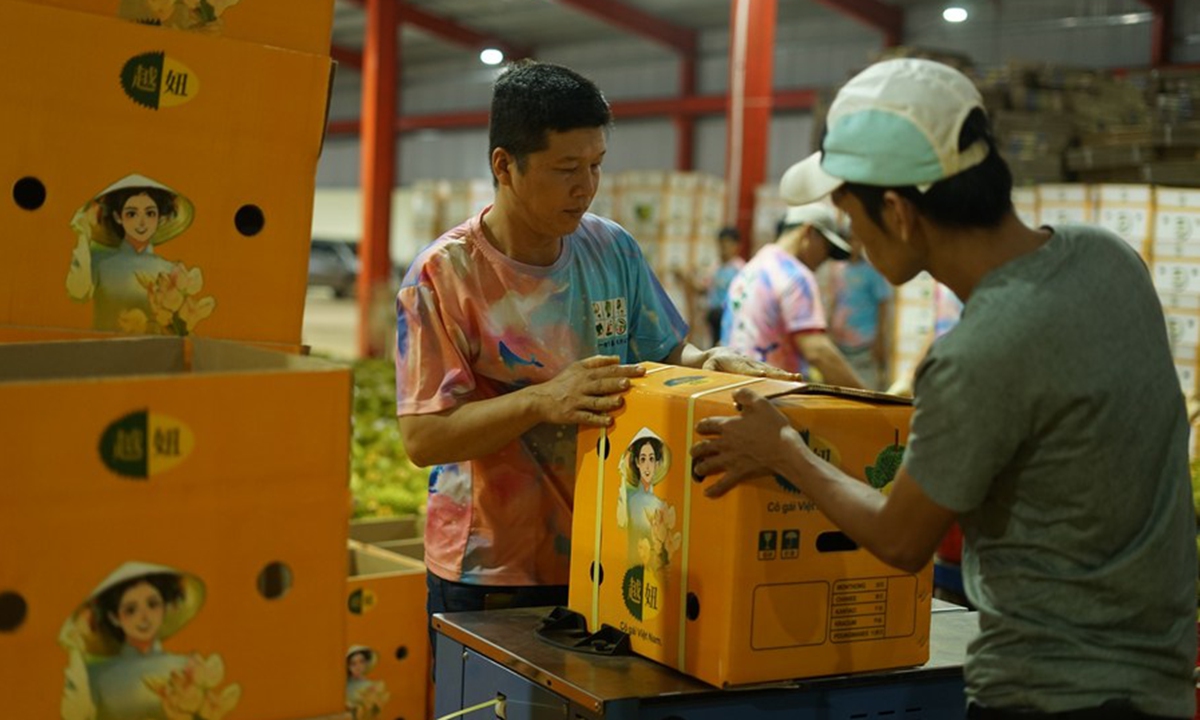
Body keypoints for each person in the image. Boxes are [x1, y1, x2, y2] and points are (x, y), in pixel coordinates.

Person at [691, 58, 1196, 719]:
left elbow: (901, 540)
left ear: (898, 212)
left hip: (1048, 693)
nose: (856, 242)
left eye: (850, 211)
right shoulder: (1109, 258)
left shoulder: (977, 354)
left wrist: (783, 449)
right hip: (1159, 683)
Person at [393, 60, 785, 632]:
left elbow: (665, 353)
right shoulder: (443, 277)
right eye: (566, 168)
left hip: (612, 549)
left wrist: (709, 362)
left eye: (597, 165)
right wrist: (541, 400)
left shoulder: (611, 248)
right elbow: (424, 437)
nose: (587, 186)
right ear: (505, 165)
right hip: (491, 572)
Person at [58, 561, 238, 720]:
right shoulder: (95, 676)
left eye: (152, 605)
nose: (144, 617)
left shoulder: (188, 669)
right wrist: (75, 651)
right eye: (131, 610)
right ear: (114, 617)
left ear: (164, 607)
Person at [722, 203, 866, 388]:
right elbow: (817, 351)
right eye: (826, 248)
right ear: (809, 232)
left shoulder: (751, 268)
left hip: (733, 390)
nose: (825, 259)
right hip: (773, 397)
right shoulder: (795, 275)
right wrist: (871, 402)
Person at [66, 174, 214, 335]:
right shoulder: (99, 264)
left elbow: (178, 330)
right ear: (118, 217)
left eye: (150, 213)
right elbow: (77, 293)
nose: (142, 222)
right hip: (105, 355)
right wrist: (83, 234)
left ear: (160, 218)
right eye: (132, 214)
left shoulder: (171, 272)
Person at [823, 234, 893, 389]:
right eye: (848, 240)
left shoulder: (872, 271)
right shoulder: (837, 268)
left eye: (855, 239)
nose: (851, 245)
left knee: (865, 389)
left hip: (864, 345)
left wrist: (880, 339)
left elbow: (883, 304)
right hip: (839, 344)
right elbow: (833, 300)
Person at [674, 226, 745, 348]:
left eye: (728, 244)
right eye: (722, 244)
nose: (724, 248)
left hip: (729, 320)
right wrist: (686, 279)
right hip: (712, 318)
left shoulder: (740, 269)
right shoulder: (715, 267)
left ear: (736, 246)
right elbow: (702, 289)